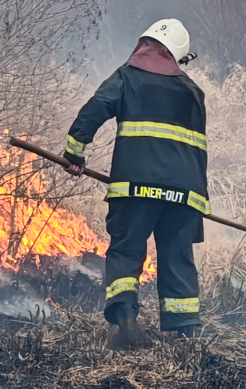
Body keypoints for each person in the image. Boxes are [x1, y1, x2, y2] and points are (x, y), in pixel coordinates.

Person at [64, 18, 207, 349]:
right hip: (184, 194)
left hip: (135, 189)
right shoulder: (193, 92)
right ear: (176, 56)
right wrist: (197, 198)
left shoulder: (127, 77)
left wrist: (75, 153)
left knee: (127, 252)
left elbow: (94, 109)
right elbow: (198, 150)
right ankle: (183, 333)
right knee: (177, 256)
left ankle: (127, 320)